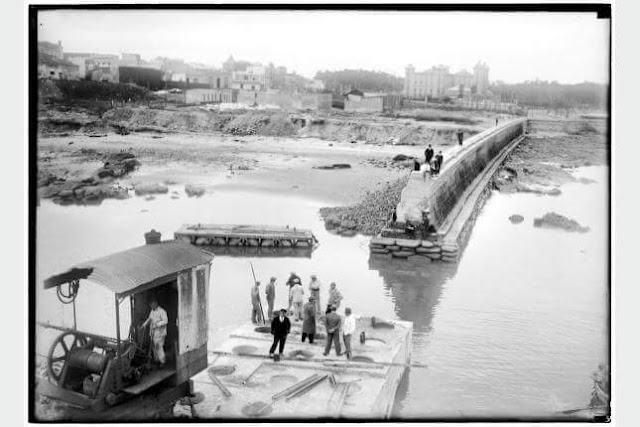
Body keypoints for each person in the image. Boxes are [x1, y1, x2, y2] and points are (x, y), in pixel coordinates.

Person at [142, 299, 168, 368]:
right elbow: (149, 319)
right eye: (151, 306)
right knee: (154, 347)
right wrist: (144, 325)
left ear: (156, 304)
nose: (152, 307)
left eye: (153, 305)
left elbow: (165, 321)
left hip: (160, 333)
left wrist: (157, 325)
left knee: (159, 347)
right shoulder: (152, 311)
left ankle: (163, 362)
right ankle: (157, 360)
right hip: (153, 333)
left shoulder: (162, 311)